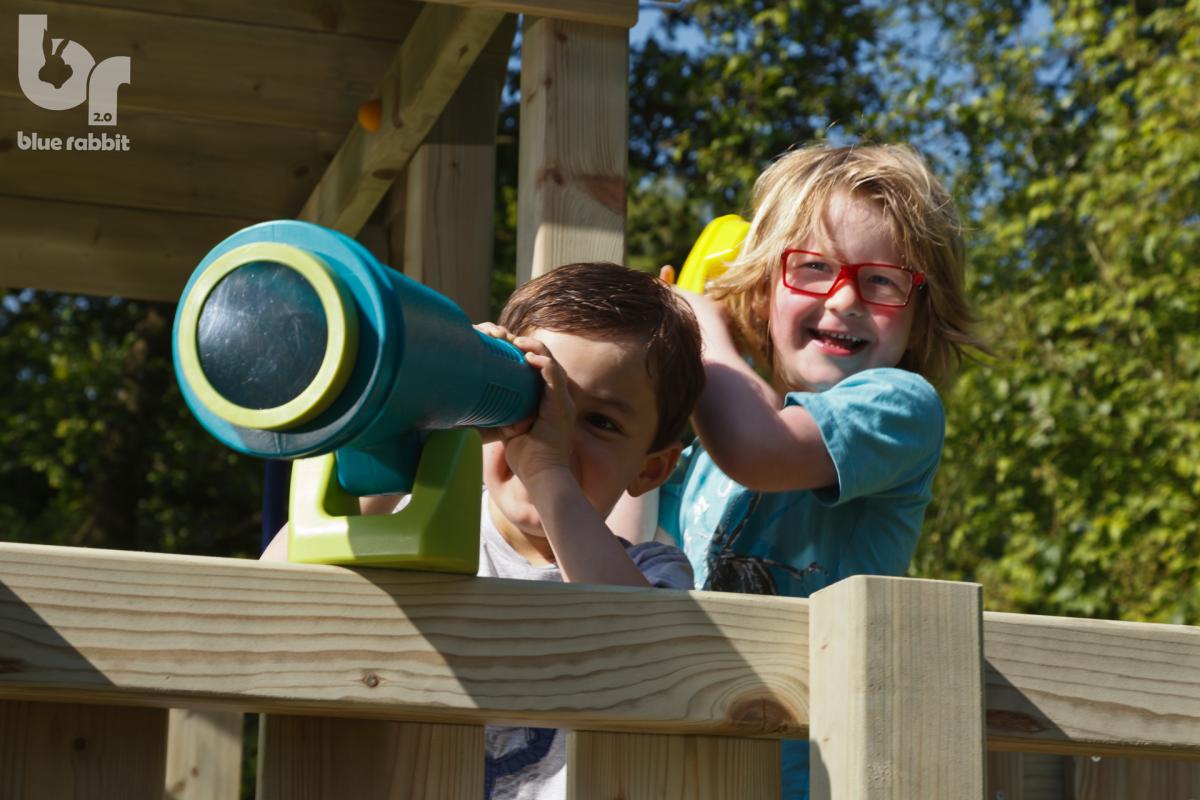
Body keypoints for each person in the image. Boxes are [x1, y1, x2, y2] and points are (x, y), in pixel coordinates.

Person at [264, 261, 705, 800]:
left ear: (651, 469)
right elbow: (271, 594)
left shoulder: (649, 572)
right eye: (534, 400)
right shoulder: (408, 524)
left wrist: (547, 472)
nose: (556, 435)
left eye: (599, 422)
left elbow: (649, 660)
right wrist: (425, 413)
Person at [645, 143, 984, 799]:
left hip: (825, 778)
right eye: (813, 268)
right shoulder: (703, 435)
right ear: (764, 287)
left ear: (919, 318)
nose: (845, 297)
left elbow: (759, 449)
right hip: (693, 765)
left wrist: (699, 321)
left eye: (882, 280)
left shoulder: (901, 406)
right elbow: (627, 543)